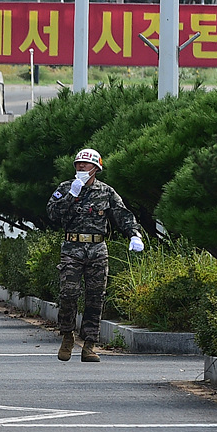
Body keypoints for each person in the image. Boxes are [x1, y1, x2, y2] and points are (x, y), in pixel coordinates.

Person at [47, 148, 145, 363]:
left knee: (95, 297)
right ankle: (67, 336)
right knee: (68, 294)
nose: (81, 167)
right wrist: (71, 196)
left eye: (85, 164)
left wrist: (134, 234)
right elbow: (52, 214)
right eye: (78, 164)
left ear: (96, 168)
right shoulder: (65, 188)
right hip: (72, 248)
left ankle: (89, 344)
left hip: (97, 250)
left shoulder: (106, 192)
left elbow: (122, 214)